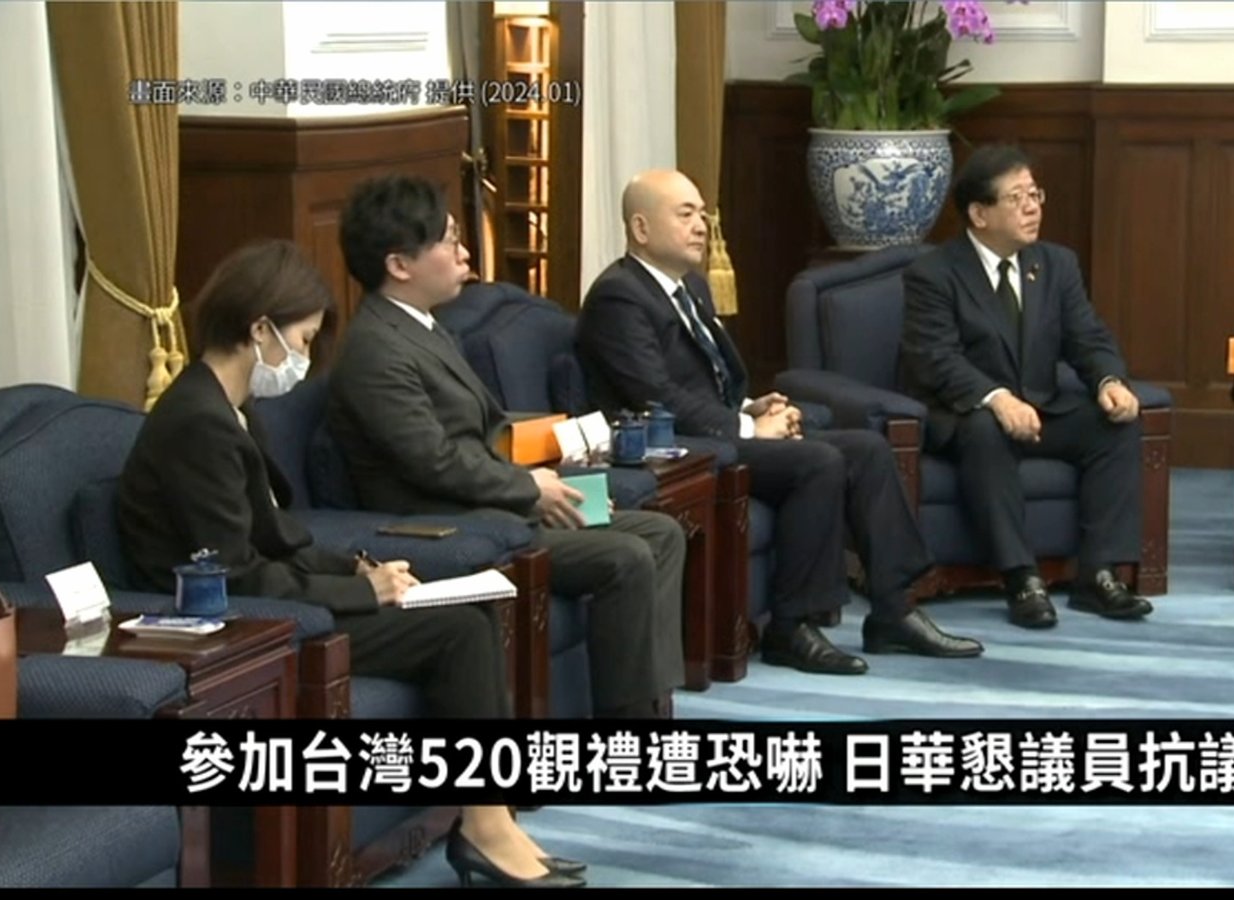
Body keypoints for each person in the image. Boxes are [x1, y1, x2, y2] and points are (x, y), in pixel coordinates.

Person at [115, 240, 584, 888]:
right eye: (303, 340)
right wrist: (365, 595)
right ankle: (485, 824)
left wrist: (359, 569)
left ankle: (490, 817)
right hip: (234, 628)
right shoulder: (198, 422)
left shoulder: (228, 408)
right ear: (260, 329)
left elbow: (277, 537)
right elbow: (236, 573)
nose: (304, 361)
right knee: (457, 633)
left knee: (468, 613)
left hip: (267, 601)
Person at [575, 169, 984, 678]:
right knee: (818, 461)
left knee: (867, 448)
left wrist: (751, 407)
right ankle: (792, 626)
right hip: (672, 448)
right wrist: (747, 429)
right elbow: (655, 396)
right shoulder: (619, 297)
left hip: (716, 430)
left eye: (702, 213)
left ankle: (894, 609)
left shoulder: (690, 287)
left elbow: (708, 382)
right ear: (641, 227)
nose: (701, 225)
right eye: (685, 214)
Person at [324, 174, 685, 719]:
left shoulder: (424, 327)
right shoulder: (376, 350)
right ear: (399, 264)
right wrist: (528, 490)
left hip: (492, 500)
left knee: (660, 531)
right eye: (448, 240)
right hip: (446, 522)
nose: (464, 252)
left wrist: (559, 485)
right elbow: (434, 461)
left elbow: (484, 432)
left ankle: (655, 704)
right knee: (626, 555)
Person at [899, 144, 1155, 630]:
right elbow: (936, 358)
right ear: (979, 214)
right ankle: (1021, 577)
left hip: (1041, 409)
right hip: (968, 413)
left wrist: (1109, 380)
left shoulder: (1056, 264)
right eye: (1016, 198)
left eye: (1035, 194)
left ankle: (1099, 574)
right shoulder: (933, 274)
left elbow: (1087, 336)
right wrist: (998, 399)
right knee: (983, 428)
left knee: (1116, 424)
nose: (1032, 207)